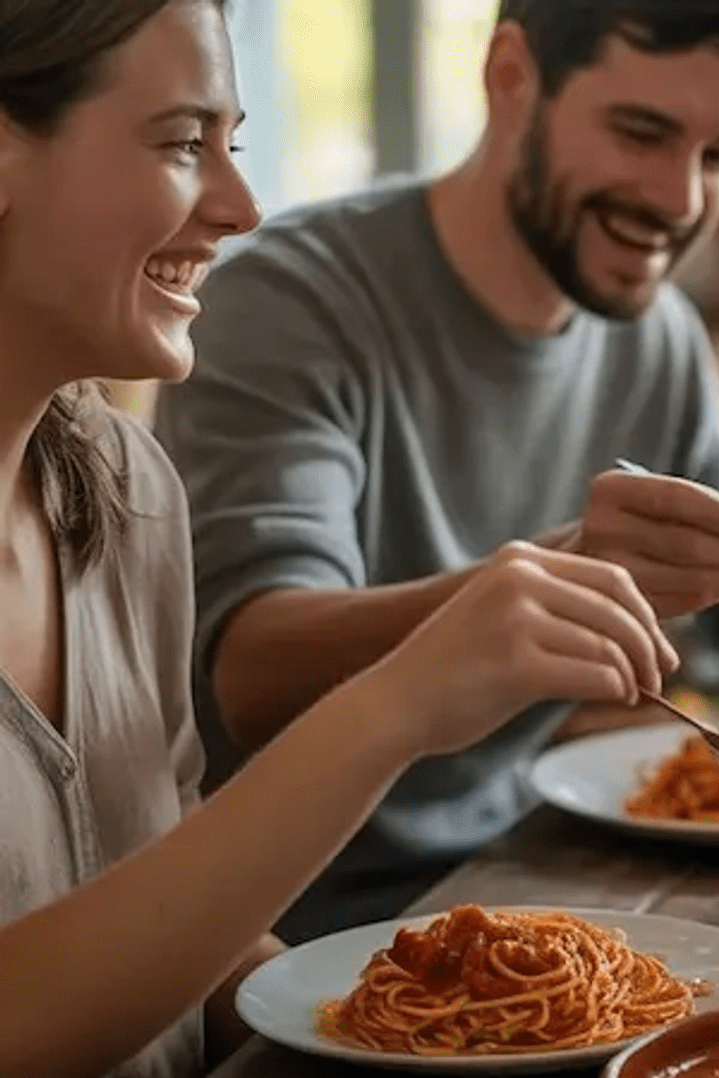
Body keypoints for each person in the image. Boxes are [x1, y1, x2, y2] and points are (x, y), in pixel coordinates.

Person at [151, 0, 719, 944]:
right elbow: (250, 667)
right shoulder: (294, 302)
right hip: (299, 936)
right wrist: (542, 579)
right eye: (642, 132)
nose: (682, 199)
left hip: (539, 887)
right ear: (510, 76)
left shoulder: (655, 337)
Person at [0, 3, 677, 1076]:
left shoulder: (125, 488)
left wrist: (414, 1020)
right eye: (183, 144)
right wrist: (396, 704)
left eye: (237, 144)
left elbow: (177, 904)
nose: (241, 206)